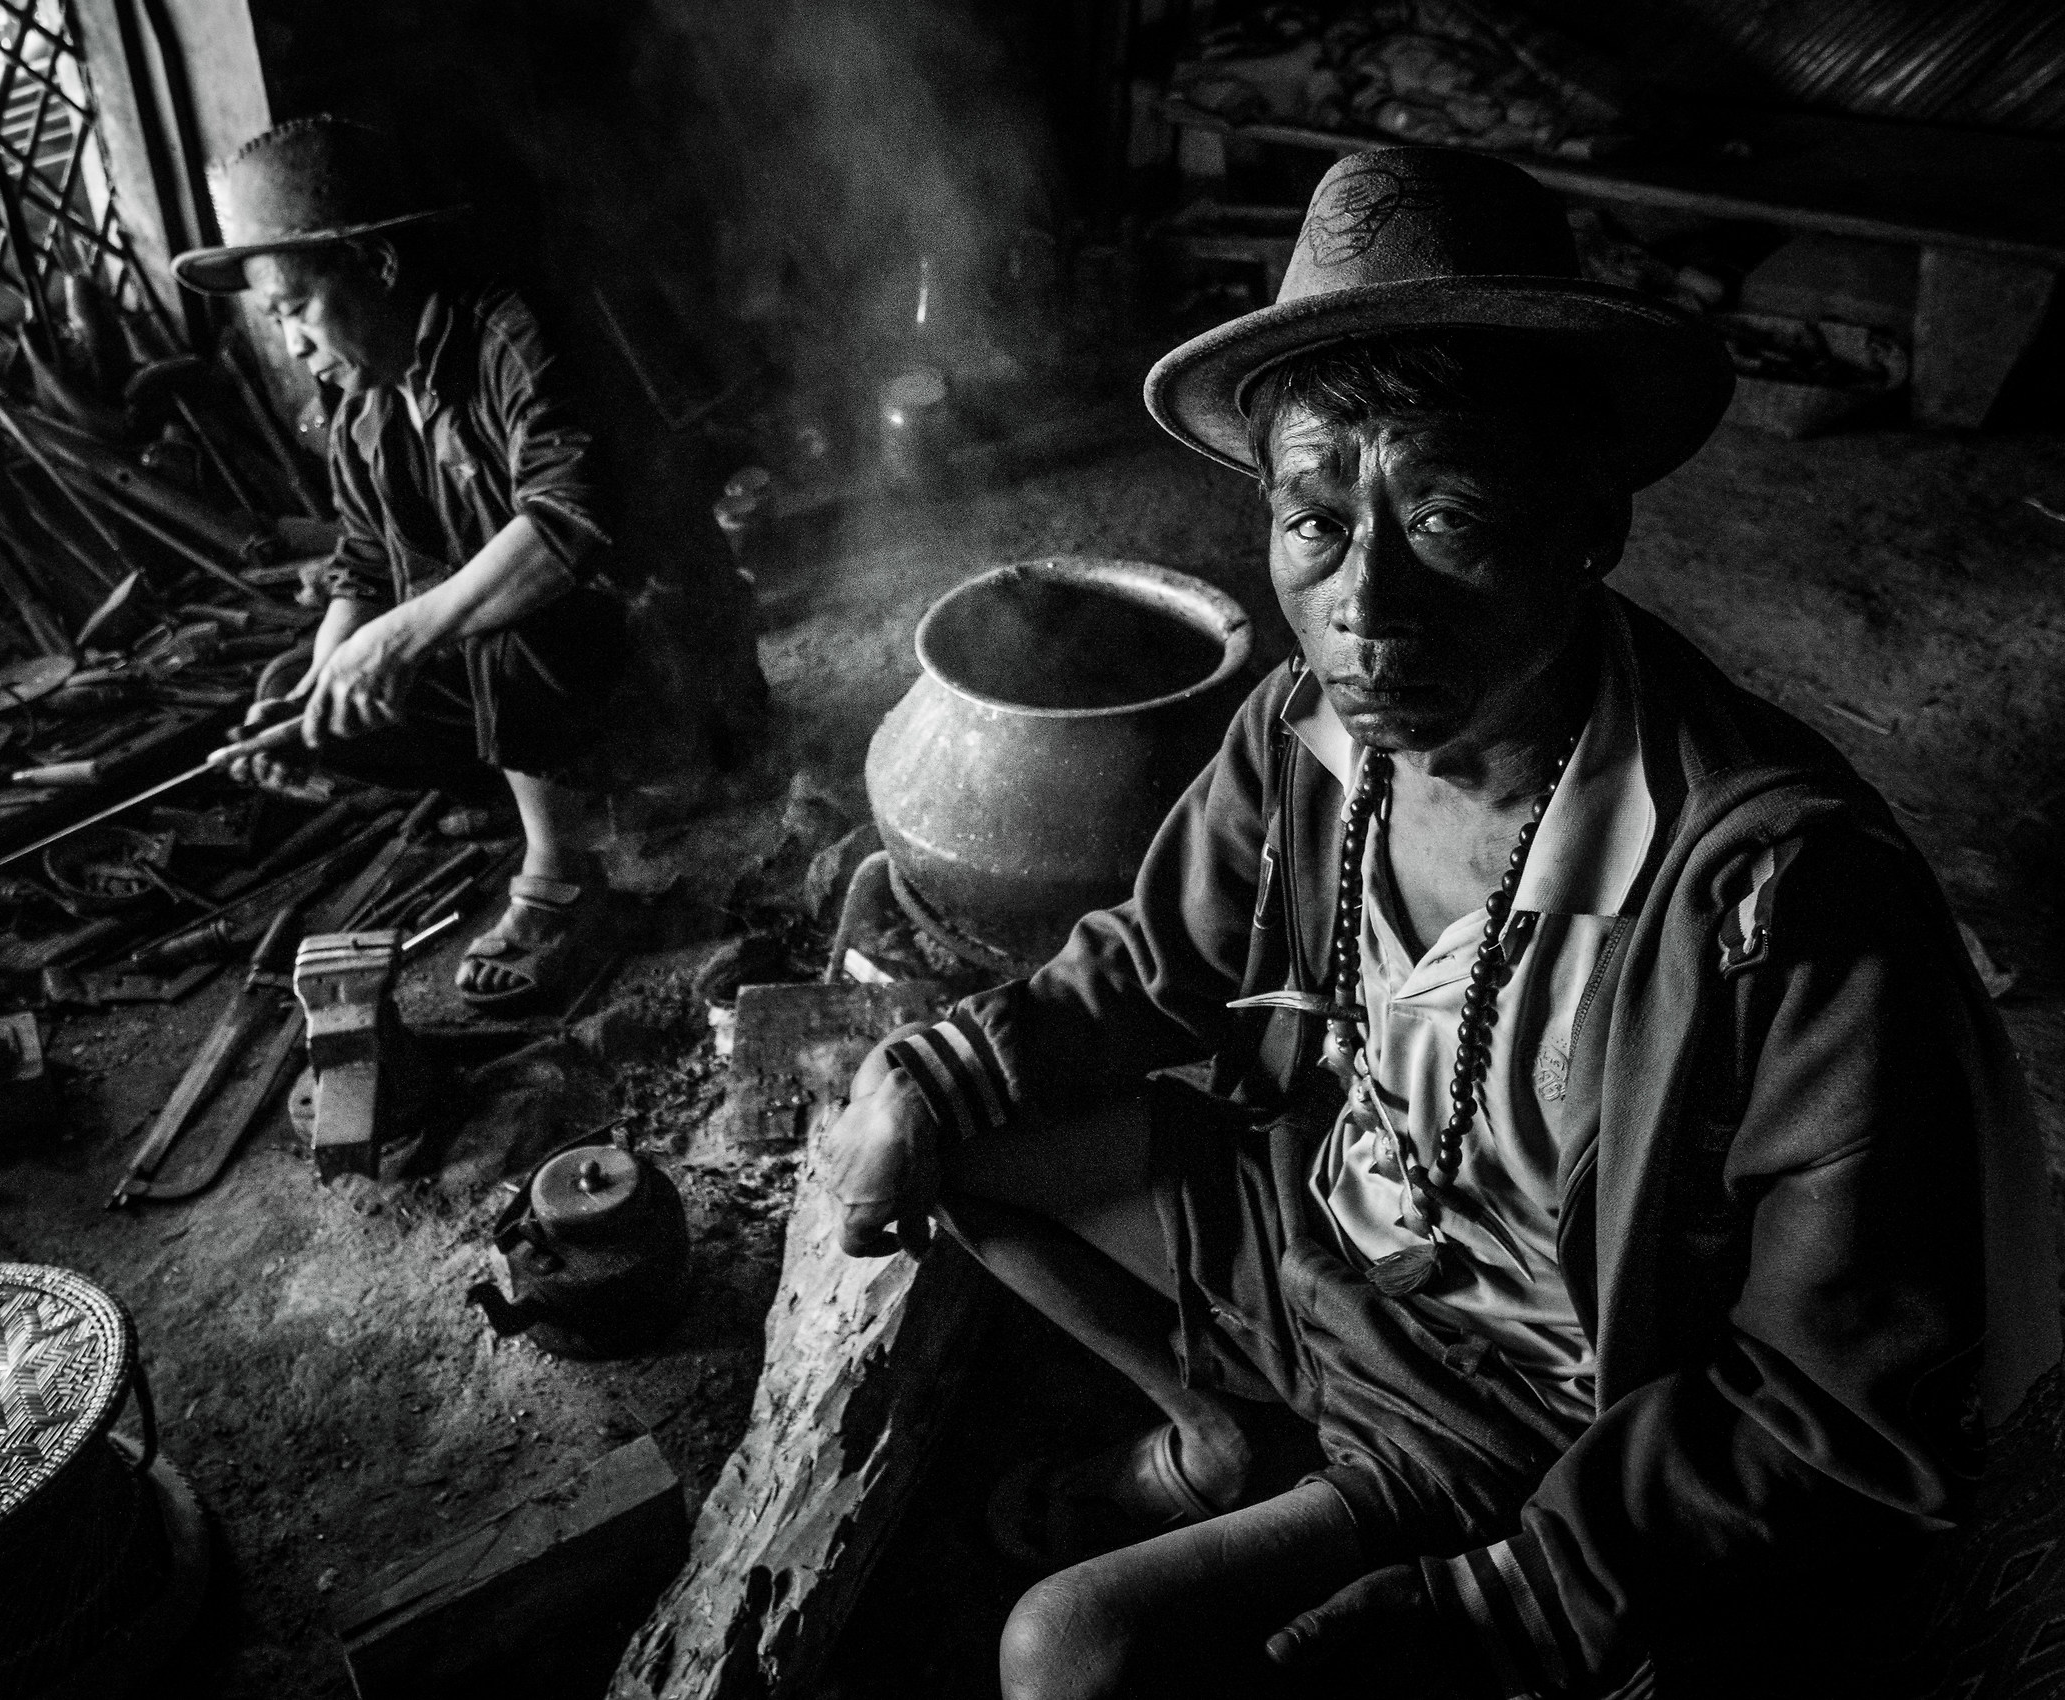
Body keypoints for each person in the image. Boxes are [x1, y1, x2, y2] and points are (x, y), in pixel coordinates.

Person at [823, 146, 2062, 1698]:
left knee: (1066, 1650)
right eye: (1317, 523)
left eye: (1452, 513)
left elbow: (1828, 1394)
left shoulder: (1774, 900)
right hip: (1324, 1240)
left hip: (1509, 1399)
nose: (1368, 602)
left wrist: (1509, 1605)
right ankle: (1222, 1445)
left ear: (1588, 519)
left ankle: (1326, 1500)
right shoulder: (1302, 740)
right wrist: (933, 1075)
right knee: (957, 1144)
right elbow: (1148, 968)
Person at [173, 116, 761, 1011]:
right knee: (348, 705)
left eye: (295, 309)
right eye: (274, 321)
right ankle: (571, 801)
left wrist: (399, 639)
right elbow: (364, 567)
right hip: (572, 682)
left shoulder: (517, 334)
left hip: (676, 663)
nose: (292, 345)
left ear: (377, 264)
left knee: (478, 608)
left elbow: (571, 526)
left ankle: (566, 875)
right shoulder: (363, 407)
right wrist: (319, 680)